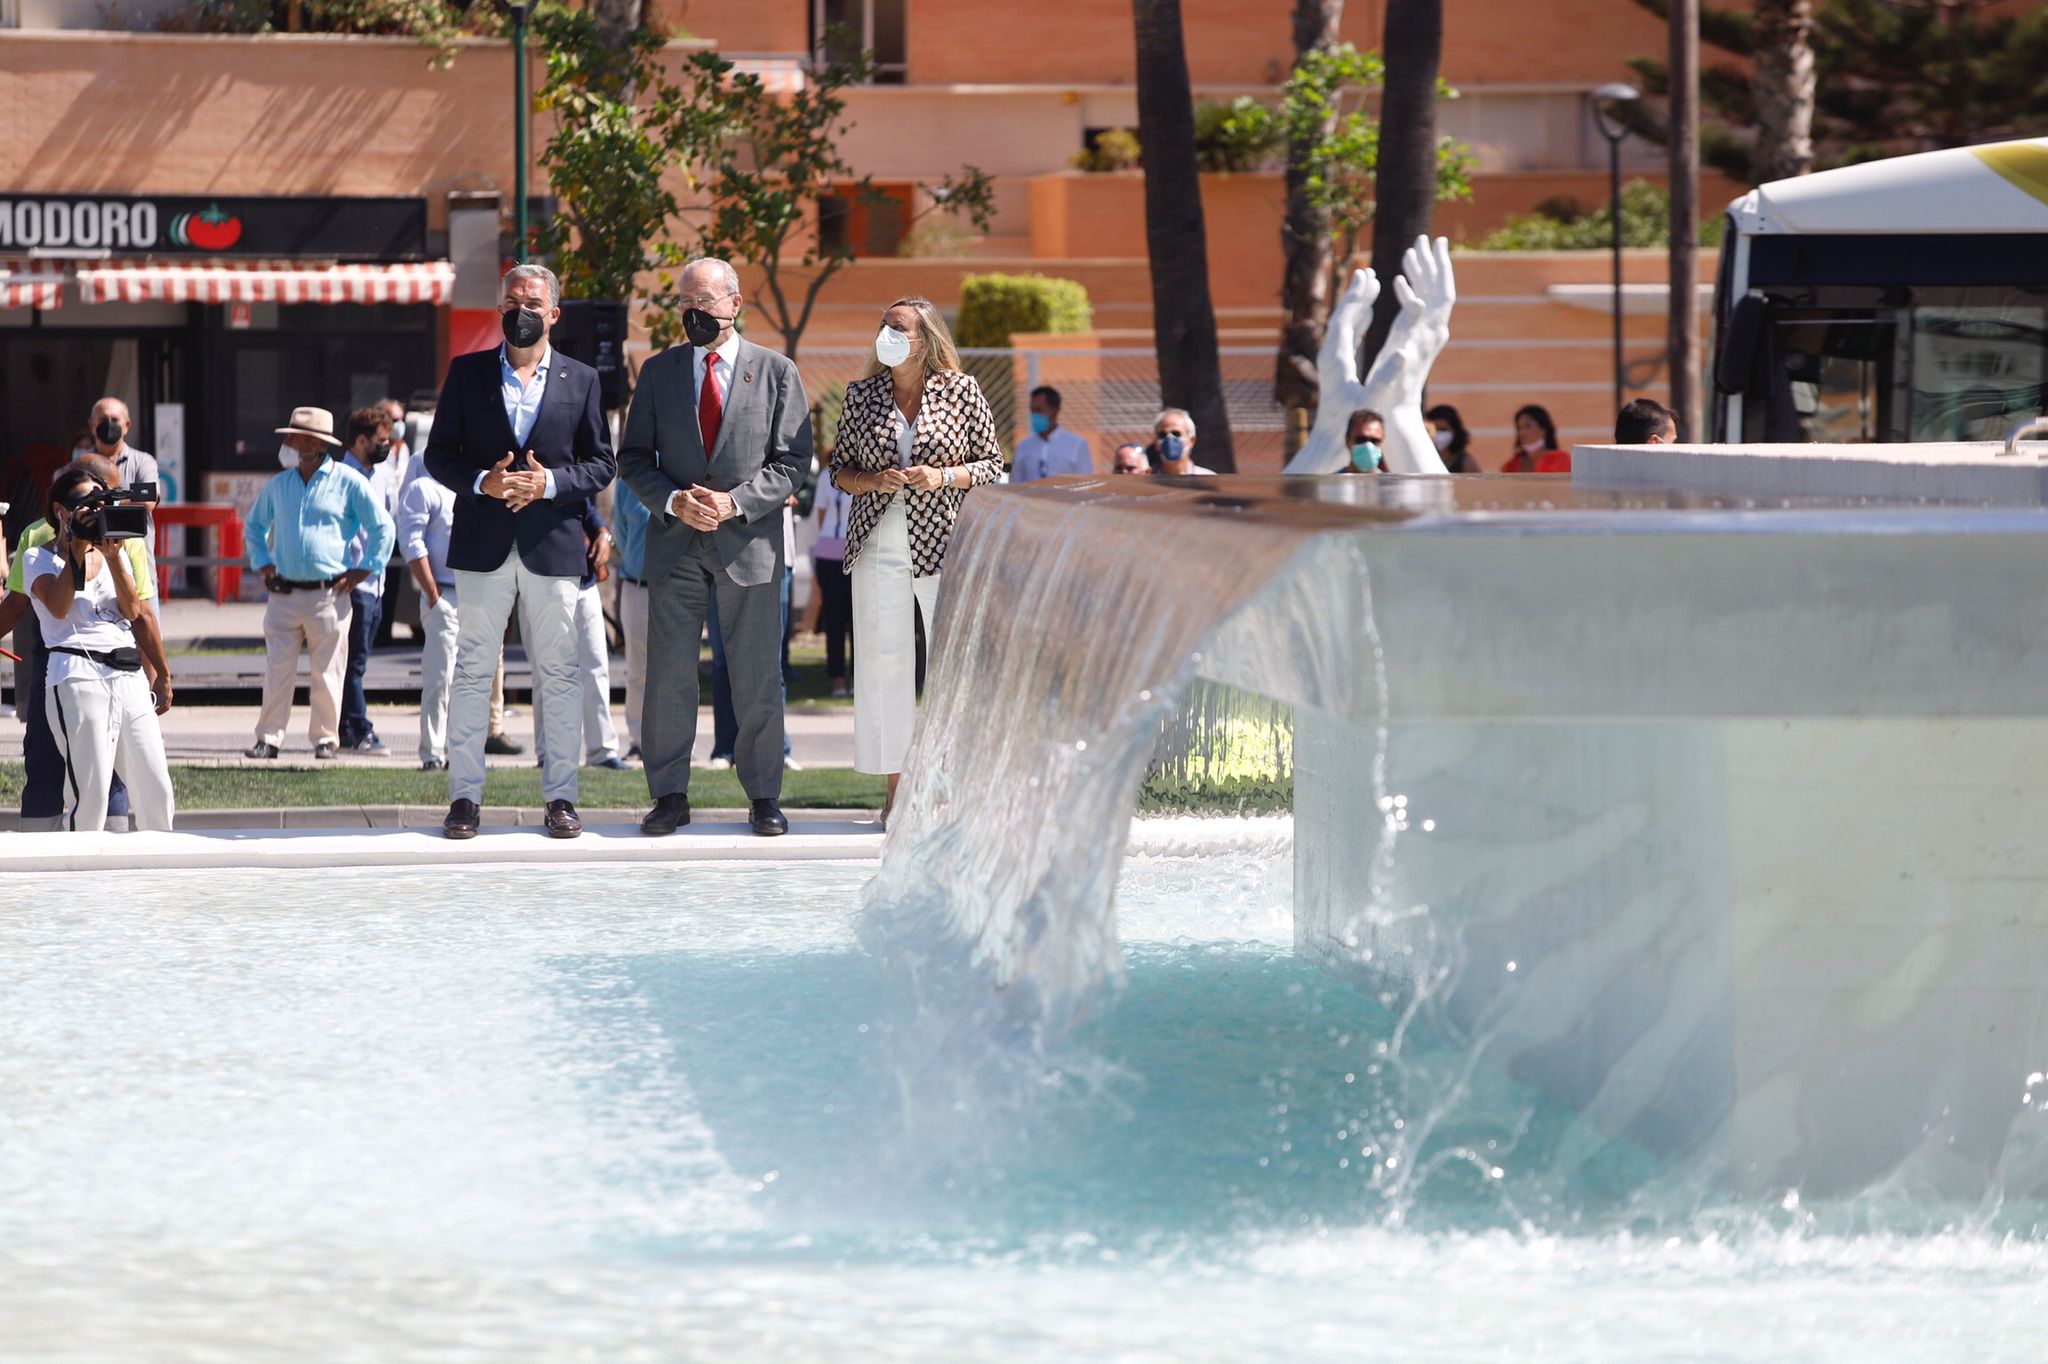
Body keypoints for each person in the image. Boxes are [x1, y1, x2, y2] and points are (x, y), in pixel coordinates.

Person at [617, 255, 811, 838]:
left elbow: (793, 462)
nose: (693, 312)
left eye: (704, 301)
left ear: (734, 305)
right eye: (685, 303)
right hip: (676, 546)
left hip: (749, 545)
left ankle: (763, 798)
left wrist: (737, 503)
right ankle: (670, 795)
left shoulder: (777, 371)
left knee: (756, 676)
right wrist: (674, 501)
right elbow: (632, 460)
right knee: (669, 677)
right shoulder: (658, 372)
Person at [424, 262, 616, 841]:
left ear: (553, 314)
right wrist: (483, 480)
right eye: (512, 302)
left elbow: (602, 462)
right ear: (500, 309)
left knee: (559, 673)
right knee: (473, 670)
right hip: (483, 544)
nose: (521, 312)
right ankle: (464, 799)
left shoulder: (582, 380)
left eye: (533, 303)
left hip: (552, 546)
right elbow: (439, 456)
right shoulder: (466, 373)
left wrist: (549, 484)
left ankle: (560, 797)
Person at [831, 295, 1006, 822]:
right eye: (883, 324)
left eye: (898, 327)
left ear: (925, 338)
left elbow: (994, 464)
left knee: (953, 667)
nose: (887, 332)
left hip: (946, 539)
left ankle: (950, 788)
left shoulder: (962, 390)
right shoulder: (861, 394)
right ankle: (897, 793)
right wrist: (869, 481)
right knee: (884, 665)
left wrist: (944, 476)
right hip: (877, 538)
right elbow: (838, 468)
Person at [0, 452, 173, 831]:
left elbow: (133, 610)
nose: (95, 511)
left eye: (100, 502)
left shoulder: (120, 549)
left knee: (156, 787)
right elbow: (60, 607)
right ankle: (82, 883)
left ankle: (161, 878)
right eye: (85, 505)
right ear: (61, 510)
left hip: (127, 674)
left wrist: (111, 557)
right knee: (89, 794)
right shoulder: (37, 556)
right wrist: (76, 547)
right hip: (75, 673)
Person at [243, 406, 394, 761]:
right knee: (277, 670)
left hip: (329, 593)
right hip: (284, 592)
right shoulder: (279, 485)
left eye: (295, 437)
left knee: (328, 672)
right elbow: (254, 527)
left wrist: (367, 568)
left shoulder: (348, 481)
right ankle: (269, 738)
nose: (289, 443)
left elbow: (382, 527)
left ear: (314, 443)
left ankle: (326, 739)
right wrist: (263, 564)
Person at [531, 503, 628, 772]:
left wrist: (602, 533)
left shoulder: (573, 469)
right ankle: (548, 752)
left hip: (583, 583)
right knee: (546, 673)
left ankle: (602, 750)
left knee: (597, 666)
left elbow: (587, 510)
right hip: (542, 583)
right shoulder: (529, 468)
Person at [338, 406, 401, 754]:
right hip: (355, 581)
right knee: (354, 662)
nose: (386, 446)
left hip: (376, 579)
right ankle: (357, 727)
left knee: (358, 660)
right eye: (380, 441)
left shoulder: (382, 473)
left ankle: (347, 726)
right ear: (360, 441)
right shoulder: (342, 476)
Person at [397, 467, 458, 771]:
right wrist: (432, 592)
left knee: (470, 682)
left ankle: (459, 752)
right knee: (440, 677)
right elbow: (411, 540)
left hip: (476, 595)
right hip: (445, 593)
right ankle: (433, 753)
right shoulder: (424, 485)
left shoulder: (474, 480)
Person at [611, 476, 652, 761]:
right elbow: (621, 533)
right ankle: (638, 739)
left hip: (675, 588)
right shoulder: (628, 483)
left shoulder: (682, 469)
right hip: (636, 586)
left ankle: (674, 743)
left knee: (677, 672)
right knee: (638, 669)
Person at [811, 456, 854, 699]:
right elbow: (821, 515)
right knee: (834, 620)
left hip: (859, 553)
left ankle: (859, 679)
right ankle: (837, 680)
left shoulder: (868, 471)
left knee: (860, 619)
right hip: (829, 554)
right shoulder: (826, 476)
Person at [1011, 385, 1093, 482]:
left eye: (1039, 410)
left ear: (1054, 411)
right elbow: (1014, 484)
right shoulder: (1024, 446)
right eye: (1032, 411)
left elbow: (1085, 483)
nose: (1034, 415)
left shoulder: (1077, 444)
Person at [88, 397, 159, 490]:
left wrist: (99, 500)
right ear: (92, 425)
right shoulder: (81, 464)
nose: (109, 424)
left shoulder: (142, 462)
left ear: (127, 426)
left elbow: (147, 501)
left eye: (115, 420)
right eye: (103, 419)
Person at [1504, 403, 1569, 473]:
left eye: (1527, 426)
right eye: (1519, 428)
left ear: (1543, 429)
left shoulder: (1560, 460)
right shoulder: (1511, 465)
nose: (1522, 432)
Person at [1148, 409, 1215, 476]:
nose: (1169, 438)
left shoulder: (1208, 479)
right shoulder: (1146, 479)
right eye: (1162, 435)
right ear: (1156, 441)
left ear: (1191, 440)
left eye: (1176, 434)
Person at [1425, 403, 1480, 473]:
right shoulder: (1424, 458)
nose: (1438, 435)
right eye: (1435, 430)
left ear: (1455, 430)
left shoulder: (1466, 462)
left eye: (1443, 430)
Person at [1344, 409, 1386, 474]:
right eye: (1361, 440)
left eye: (1374, 441)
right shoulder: (1331, 483)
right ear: (1347, 440)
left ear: (1382, 442)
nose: (1368, 446)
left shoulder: (1391, 484)